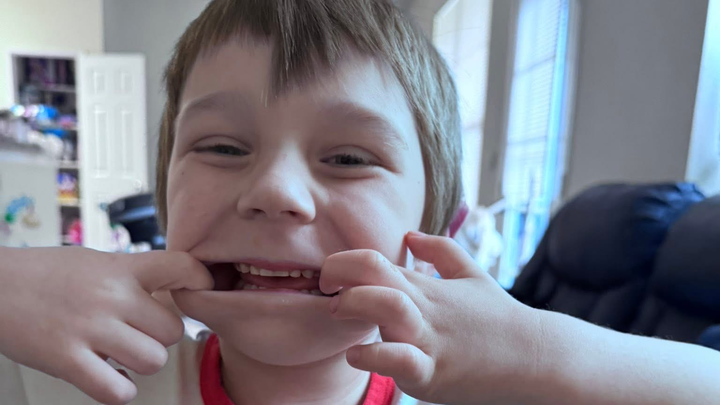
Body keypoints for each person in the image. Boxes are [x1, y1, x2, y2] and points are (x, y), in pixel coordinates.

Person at [1, 1, 719, 404]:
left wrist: (540, 352)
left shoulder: (479, 393)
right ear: (165, 200)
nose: (275, 192)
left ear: (438, 234)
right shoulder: (78, 377)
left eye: (348, 158)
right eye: (221, 147)